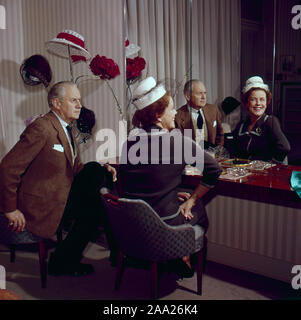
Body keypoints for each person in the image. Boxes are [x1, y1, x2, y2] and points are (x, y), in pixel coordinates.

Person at [0, 81, 116, 276]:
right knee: (96, 200)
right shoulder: (42, 128)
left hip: (60, 196)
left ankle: (64, 260)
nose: (80, 105)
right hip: (42, 204)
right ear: (56, 103)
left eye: (79, 100)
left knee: (96, 188)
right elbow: (8, 167)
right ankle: (111, 252)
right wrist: (10, 209)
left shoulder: (66, 129)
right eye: (73, 100)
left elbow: (74, 169)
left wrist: (104, 168)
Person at [119, 77, 222, 277]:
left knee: (183, 197)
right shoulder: (178, 143)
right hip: (165, 223)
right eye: (171, 108)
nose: (175, 112)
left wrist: (173, 196)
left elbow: (144, 184)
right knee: (199, 210)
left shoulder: (128, 144)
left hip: (133, 223)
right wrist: (191, 201)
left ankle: (174, 259)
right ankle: (182, 257)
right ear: (158, 115)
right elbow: (214, 169)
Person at [230, 76, 291, 163]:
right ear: (246, 103)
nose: (258, 103)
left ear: (267, 102)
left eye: (262, 99)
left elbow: (285, 147)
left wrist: (269, 165)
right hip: (247, 171)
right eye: (253, 99)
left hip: (266, 172)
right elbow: (234, 149)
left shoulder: (270, 121)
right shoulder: (242, 125)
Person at [175, 79, 224, 148]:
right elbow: (179, 144)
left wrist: (217, 152)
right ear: (188, 96)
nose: (204, 97)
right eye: (199, 93)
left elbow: (220, 134)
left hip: (212, 156)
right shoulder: (178, 116)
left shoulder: (213, 110)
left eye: (205, 93)